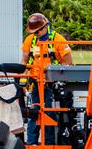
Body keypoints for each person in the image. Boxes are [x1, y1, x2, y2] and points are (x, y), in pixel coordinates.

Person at [23, 12, 73, 145]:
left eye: (38, 30)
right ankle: (32, 143)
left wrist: (54, 77)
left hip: (52, 85)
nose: (36, 33)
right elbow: (24, 62)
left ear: (45, 26)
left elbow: (69, 64)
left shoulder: (58, 40)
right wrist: (22, 80)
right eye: (34, 31)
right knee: (34, 113)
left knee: (49, 115)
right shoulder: (30, 40)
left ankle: (49, 144)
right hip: (35, 83)